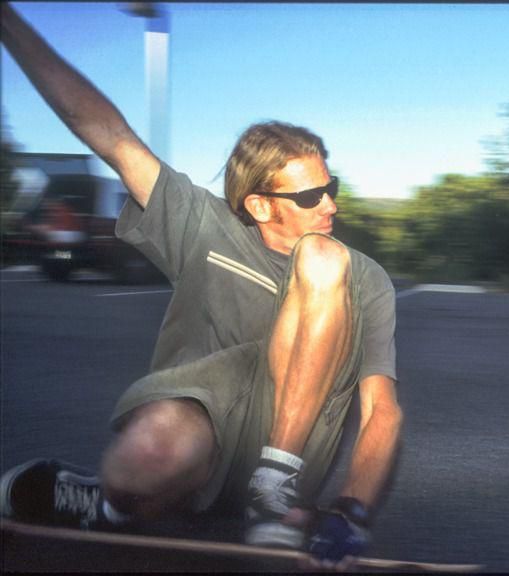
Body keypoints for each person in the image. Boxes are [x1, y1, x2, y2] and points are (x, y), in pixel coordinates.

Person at [0, 3, 402, 569]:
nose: (330, 204)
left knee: (322, 254)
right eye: (311, 196)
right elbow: (106, 133)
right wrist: (8, 23)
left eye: (330, 187)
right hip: (203, 423)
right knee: (146, 456)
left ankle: (273, 488)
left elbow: (381, 409)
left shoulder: (365, 278)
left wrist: (352, 509)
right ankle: (104, 503)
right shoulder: (202, 225)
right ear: (260, 205)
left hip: (298, 450)